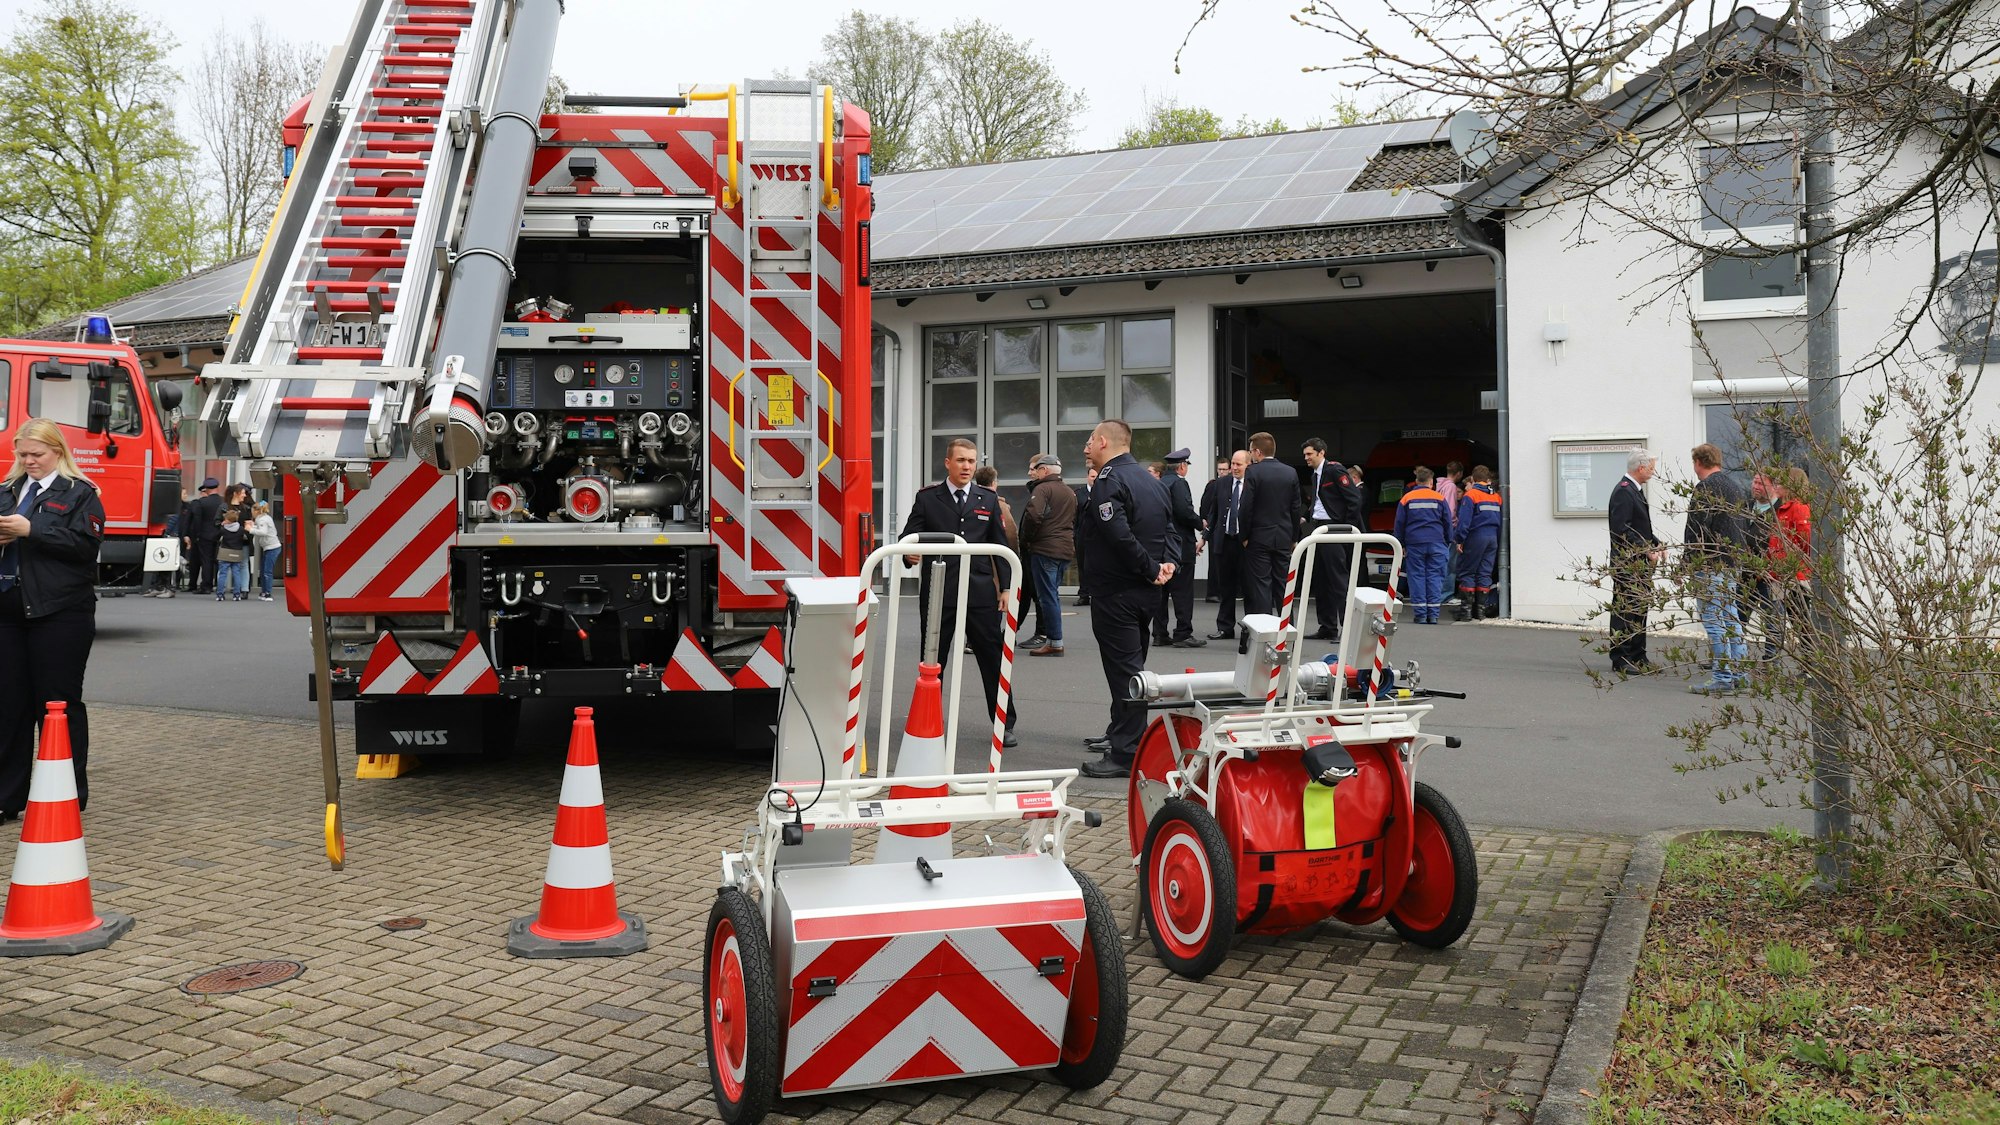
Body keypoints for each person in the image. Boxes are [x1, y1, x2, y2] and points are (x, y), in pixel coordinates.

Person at [0, 420, 107, 823]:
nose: (29, 461)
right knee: (8, 707)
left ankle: (65, 796)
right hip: (8, 611)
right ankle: (6, 798)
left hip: (60, 612)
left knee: (56, 705)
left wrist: (32, 529)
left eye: (37, 454)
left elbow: (85, 547)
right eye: (23, 454)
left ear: (57, 452)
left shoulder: (80, 493)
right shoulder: (7, 491)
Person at [1075, 419, 1178, 779]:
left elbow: (1117, 535)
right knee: (1132, 666)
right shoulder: (1152, 482)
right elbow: (1169, 530)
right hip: (1146, 591)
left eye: (1090, 440)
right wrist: (1167, 565)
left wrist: (1152, 567)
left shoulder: (1110, 480)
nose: (1086, 447)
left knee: (1126, 673)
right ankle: (1120, 733)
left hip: (1118, 591)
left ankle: (1127, 753)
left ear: (1104, 442)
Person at [900, 439, 1019, 747]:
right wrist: (908, 554)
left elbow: (999, 545)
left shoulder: (987, 499)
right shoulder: (928, 498)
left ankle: (1003, 723)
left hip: (979, 593)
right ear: (948, 463)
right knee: (933, 660)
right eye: (961, 460)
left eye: (971, 461)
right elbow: (908, 536)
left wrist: (1006, 588)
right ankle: (929, 723)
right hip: (939, 592)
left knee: (992, 658)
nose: (967, 466)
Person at [1684, 443, 1751, 694]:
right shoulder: (1735, 487)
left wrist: (1687, 562)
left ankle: (1722, 677)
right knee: (1732, 619)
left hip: (1710, 564)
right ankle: (1740, 675)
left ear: (1698, 462)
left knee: (1714, 622)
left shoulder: (1705, 488)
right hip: (1732, 563)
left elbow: (1696, 530)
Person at [1299, 438, 1363, 639]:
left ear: (1321, 453)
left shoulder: (1335, 470)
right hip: (1319, 528)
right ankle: (1327, 627)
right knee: (1321, 579)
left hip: (1334, 529)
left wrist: (1346, 529)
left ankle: (1348, 629)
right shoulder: (1315, 475)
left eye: (1309, 454)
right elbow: (1320, 501)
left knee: (1338, 580)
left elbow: (1354, 499)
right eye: (1305, 454)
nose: (1306, 458)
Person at [1607, 450, 1663, 674]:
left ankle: (1638, 655)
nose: (1653, 472)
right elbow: (1621, 529)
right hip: (1627, 564)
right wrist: (1645, 548)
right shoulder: (1624, 491)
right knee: (1625, 611)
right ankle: (1621, 658)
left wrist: (1656, 543)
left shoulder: (1634, 490)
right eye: (1651, 468)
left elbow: (1640, 527)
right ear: (1641, 468)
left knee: (1640, 610)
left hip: (1639, 565)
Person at [1236, 432, 1300, 617]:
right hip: (1283, 536)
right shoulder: (1290, 472)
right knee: (1283, 584)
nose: (1251, 455)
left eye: (1251, 451)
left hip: (1259, 537)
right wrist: (1293, 537)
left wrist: (1244, 536)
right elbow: (1295, 508)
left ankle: (1265, 630)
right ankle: (1287, 628)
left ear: (1257, 452)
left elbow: (1246, 507)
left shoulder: (1253, 471)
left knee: (1261, 585)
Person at [1019, 453, 1076, 657]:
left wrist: (1026, 539)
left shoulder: (1042, 489)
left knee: (1047, 596)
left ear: (1044, 470)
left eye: (1035, 469)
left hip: (1044, 549)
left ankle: (1055, 642)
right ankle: (1053, 640)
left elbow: (1034, 515)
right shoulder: (1069, 492)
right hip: (1064, 549)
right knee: (1052, 594)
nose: (1031, 473)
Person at [1152, 447, 1205, 648]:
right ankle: (1183, 633)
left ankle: (1159, 633)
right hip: (1180, 546)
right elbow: (1184, 511)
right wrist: (1200, 523)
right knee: (1183, 591)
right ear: (1182, 466)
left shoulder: (1159, 483)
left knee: (1161, 591)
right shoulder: (1179, 483)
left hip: (1160, 545)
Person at [1762, 467, 1812, 660]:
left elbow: (1805, 541)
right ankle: (1771, 659)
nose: (1776, 486)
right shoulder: (1783, 509)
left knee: (1801, 624)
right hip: (1780, 576)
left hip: (1795, 577)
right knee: (1777, 620)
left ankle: (1810, 666)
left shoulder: (1798, 508)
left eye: (1780, 482)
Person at [1393, 466, 1452, 624]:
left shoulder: (1407, 498)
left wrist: (1400, 544)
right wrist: (1447, 541)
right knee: (1435, 577)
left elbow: (1399, 524)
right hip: (1437, 542)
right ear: (1431, 482)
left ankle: (1420, 615)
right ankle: (1433, 615)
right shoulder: (1439, 498)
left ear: (1416, 481)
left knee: (1417, 577)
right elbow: (1447, 522)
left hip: (1414, 543)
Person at [1205, 450, 1248, 639]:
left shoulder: (1253, 483)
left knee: (1249, 587)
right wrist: (1204, 538)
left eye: (1239, 464)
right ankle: (1225, 627)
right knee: (1226, 587)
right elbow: (1214, 512)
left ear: (1248, 465)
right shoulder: (1221, 483)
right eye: (1233, 464)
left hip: (1245, 543)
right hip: (1224, 541)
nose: (1234, 468)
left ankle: (1251, 628)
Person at [1453, 465, 1504, 619]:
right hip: (1492, 538)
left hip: (1475, 537)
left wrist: (1459, 540)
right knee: (1484, 573)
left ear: (1473, 479)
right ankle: (1480, 612)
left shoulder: (1471, 495)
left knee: (1468, 571)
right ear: (1487, 479)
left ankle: (1466, 612)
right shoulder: (1496, 497)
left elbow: (1464, 522)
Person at [184, 477, 222, 594]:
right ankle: (216, 584)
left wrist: (195, 535)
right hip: (220, 535)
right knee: (216, 561)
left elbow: (197, 520)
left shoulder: (201, 503)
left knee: (205, 560)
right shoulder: (223, 502)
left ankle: (205, 586)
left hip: (204, 535)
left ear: (206, 489)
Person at [1200, 459, 1229, 602]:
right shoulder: (1213, 485)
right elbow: (1205, 506)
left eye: (1224, 469)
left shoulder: (1231, 484)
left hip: (1227, 529)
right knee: (1214, 562)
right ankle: (1213, 592)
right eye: (1220, 469)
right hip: (1215, 528)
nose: (1221, 472)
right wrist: (1205, 522)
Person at [1438, 461, 1466, 606]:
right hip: (1449, 529)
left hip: (1439, 529)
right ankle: (1446, 595)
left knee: (1441, 562)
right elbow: (1450, 510)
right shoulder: (1451, 487)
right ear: (1459, 473)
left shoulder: (1439, 485)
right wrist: (1454, 525)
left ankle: (1438, 593)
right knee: (1450, 564)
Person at [145, 497, 181, 597]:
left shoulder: (172, 507)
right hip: (166, 536)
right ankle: (159, 587)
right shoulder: (168, 506)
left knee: (169, 564)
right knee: (161, 563)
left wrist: (164, 531)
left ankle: (170, 589)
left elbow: (172, 520)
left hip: (170, 537)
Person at [215, 507, 253, 602]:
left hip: (225, 553)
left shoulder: (223, 530)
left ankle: (220, 594)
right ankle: (237, 594)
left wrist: (222, 526)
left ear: (227, 520)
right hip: (237, 553)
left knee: (223, 573)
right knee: (237, 573)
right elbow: (246, 537)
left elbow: (216, 537)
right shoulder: (241, 530)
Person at [1074, 466, 1097, 607]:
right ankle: (1084, 594)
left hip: (1099, 537)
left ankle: (1097, 594)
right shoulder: (1079, 494)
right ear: (1087, 477)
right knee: (1082, 566)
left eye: (1096, 477)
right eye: (1092, 477)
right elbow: (1074, 515)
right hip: (1082, 535)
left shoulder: (1104, 492)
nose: (1094, 479)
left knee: (1098, 566)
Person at [251, 501, 281, 602]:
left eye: (252, 511)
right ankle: (264, 591)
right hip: (269, 547)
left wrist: (250, 529)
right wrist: (252, 526)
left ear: (256, 511)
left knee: (267, 571)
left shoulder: (263, 520)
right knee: (264, 570)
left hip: (272, 547)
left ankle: (267, 593)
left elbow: (263, 532)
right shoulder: (263, 518)